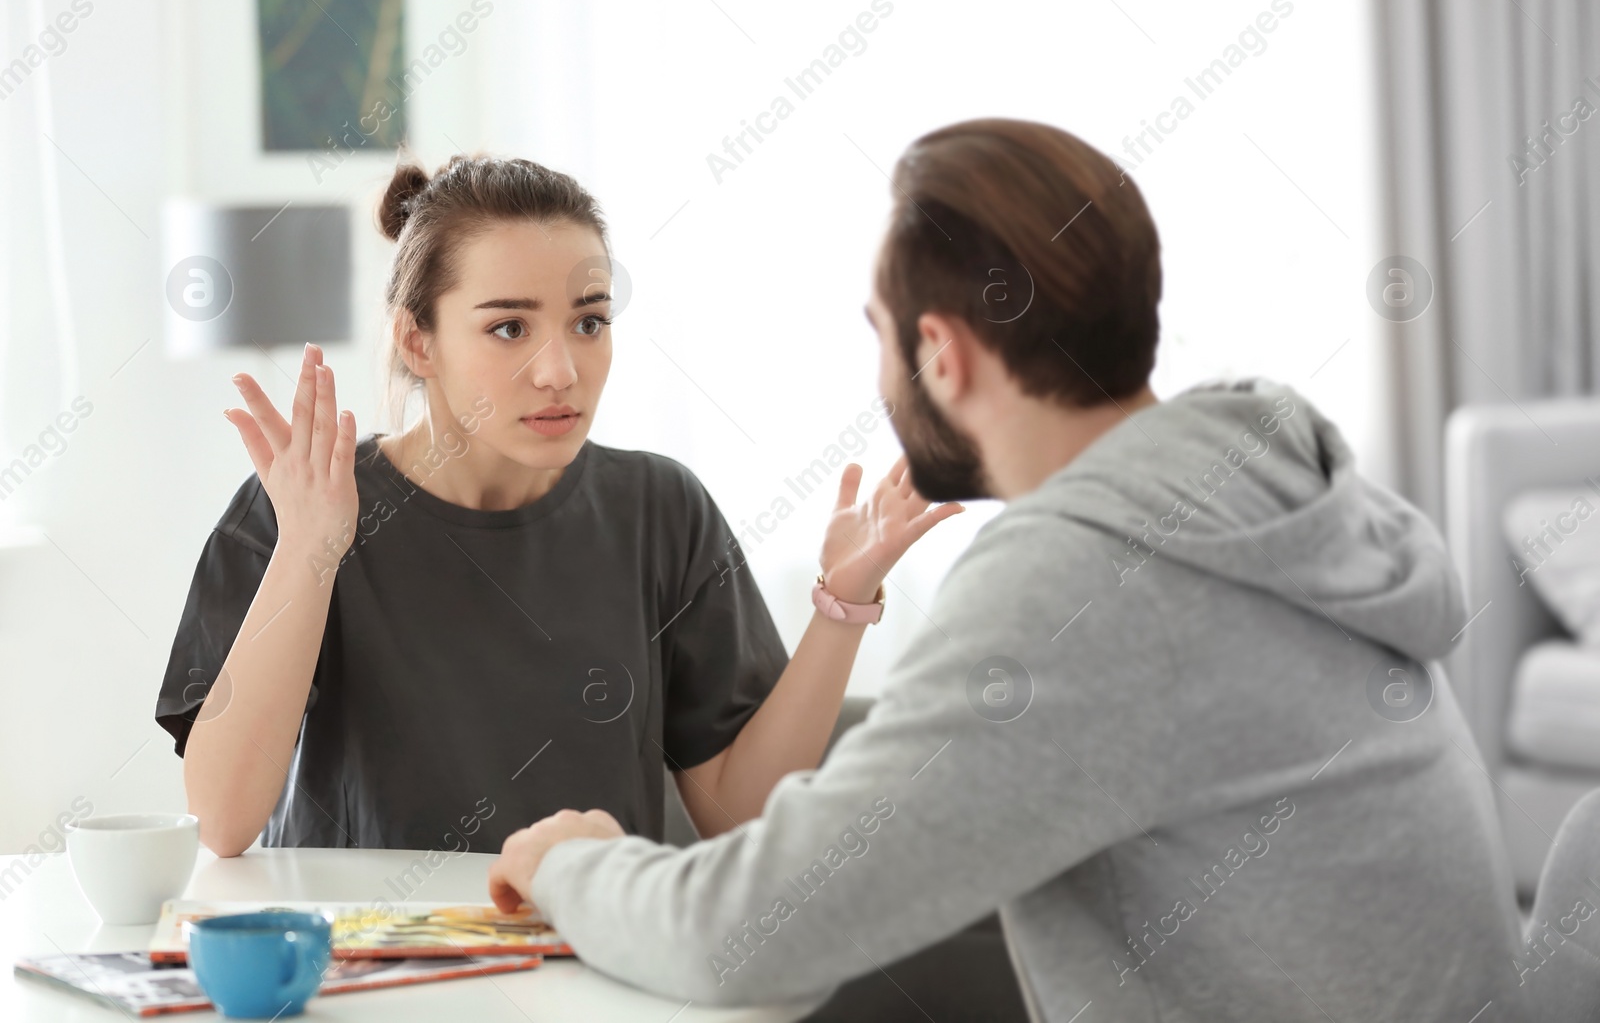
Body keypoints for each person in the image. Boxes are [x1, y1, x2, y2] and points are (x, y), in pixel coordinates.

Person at [481, 119, 1564, 1021]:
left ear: (942, 352)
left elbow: (746, 937)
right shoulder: (1264, 497)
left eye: (879, 333)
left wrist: (572, 862)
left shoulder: (1083, 585)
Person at [154, 153, 963, 859]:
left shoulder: (659, 508)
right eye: (509, 328)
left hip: (593, 959)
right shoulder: (299, 508)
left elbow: (738, 811)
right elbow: (222, 819)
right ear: (417, 340)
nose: (560, 371)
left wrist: (843, 602)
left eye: (588, 321)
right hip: (370, 972)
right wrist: (312, 548)